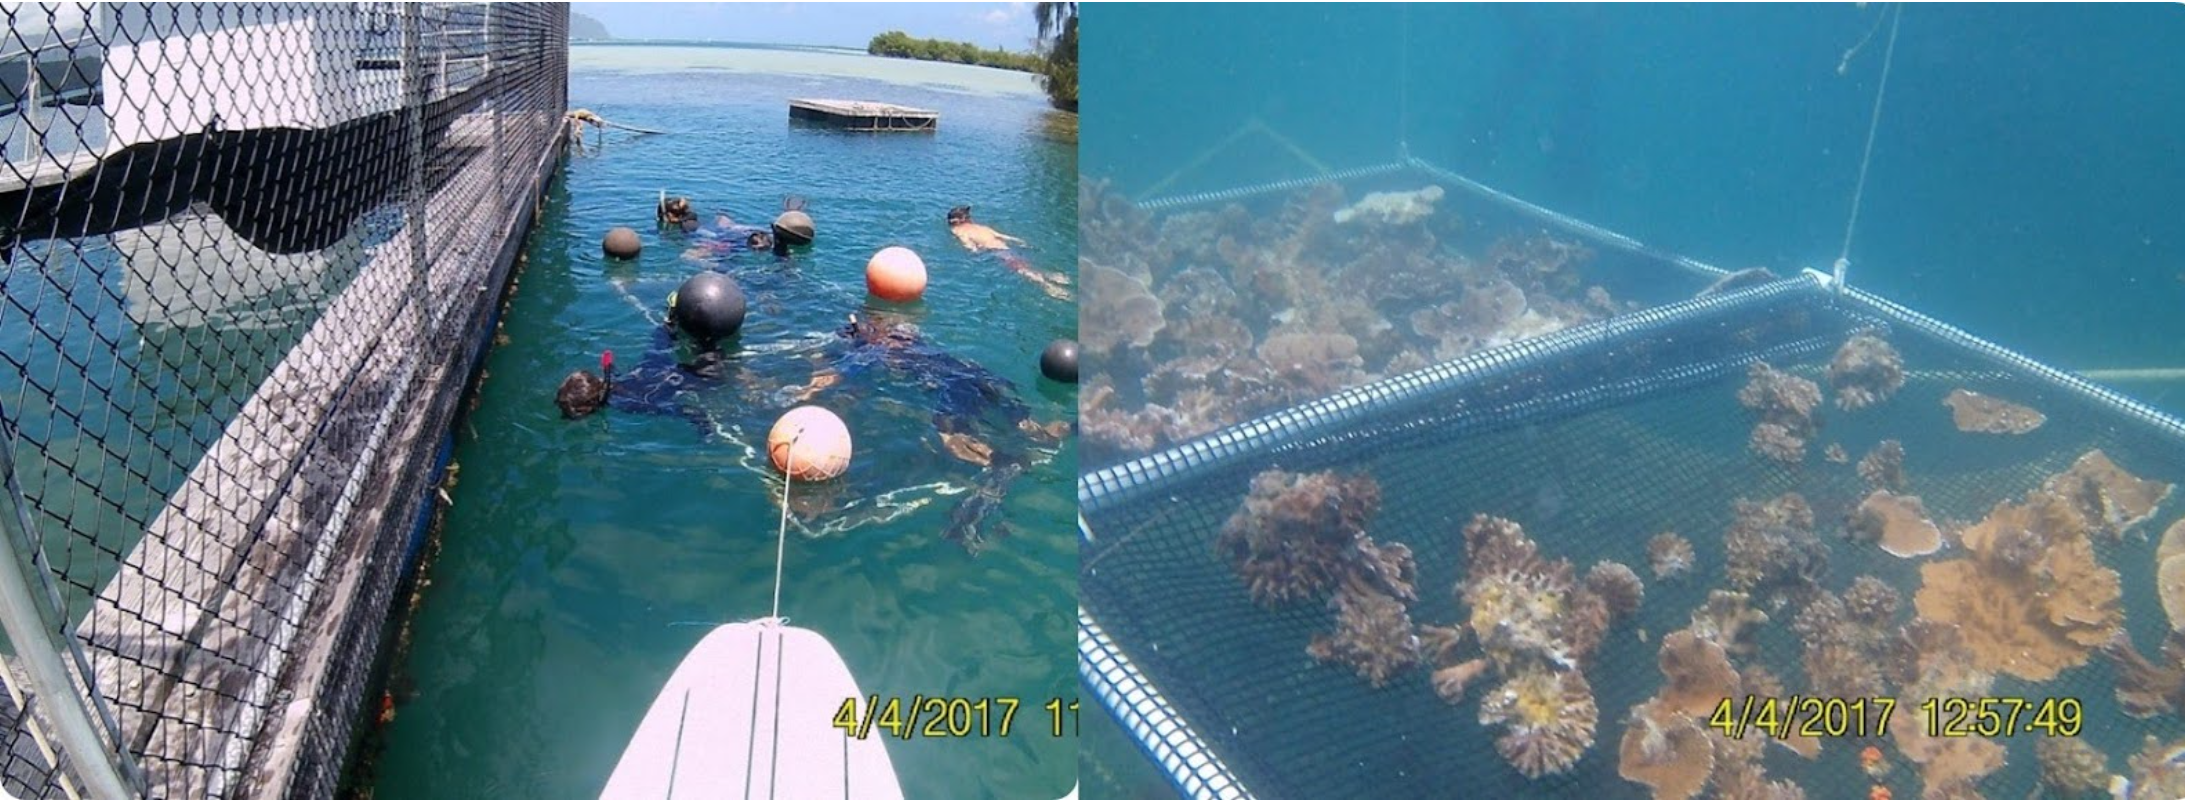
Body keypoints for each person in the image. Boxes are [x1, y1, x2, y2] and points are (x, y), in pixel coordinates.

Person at [945, 205, 1072, 301]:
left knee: (1021, 270)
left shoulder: (958, 230)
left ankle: (1048, 286)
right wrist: (1019, 241)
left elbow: (968, 244)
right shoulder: (981, 227)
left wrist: (974, 253)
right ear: (968, 218)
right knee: (1023, 264)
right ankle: (1052, 276)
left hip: (997, 252)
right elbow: (1001, 236)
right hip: (1007, 248)